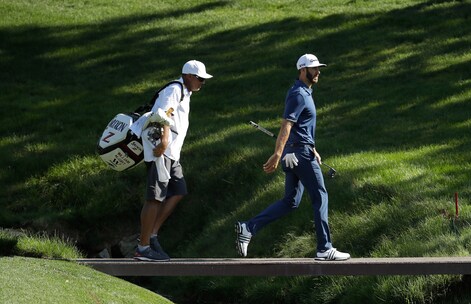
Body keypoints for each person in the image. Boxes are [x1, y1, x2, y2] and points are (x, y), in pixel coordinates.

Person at [236, 53, 350, 261]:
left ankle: (249, 227)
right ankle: (325, 248)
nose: (318, 72)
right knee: (320, 196)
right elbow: (286, 125)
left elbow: (300, 127)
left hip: (298, 151)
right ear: (302, 70)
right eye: (313, 68)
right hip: (298, 154)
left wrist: (311, 147)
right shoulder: (298, 94)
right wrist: (279, 153)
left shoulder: (304, 92)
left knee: (291, 202)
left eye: (318, 68)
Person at [131, 60, 213, 261]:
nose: (202, 82)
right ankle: (142, 248)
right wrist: (165, 139)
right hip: (161, 150)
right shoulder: (175, 90)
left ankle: (151, 234)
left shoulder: (185, 92)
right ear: (189, 76)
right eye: (200, 79)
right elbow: (161, 114)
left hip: (171, 153)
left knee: (178, 191)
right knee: (155, 197)